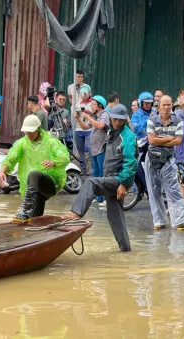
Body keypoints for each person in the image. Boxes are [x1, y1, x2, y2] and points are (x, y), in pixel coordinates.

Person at [62, 104, 137, 252]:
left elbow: (131, 164)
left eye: (120, 121)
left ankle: (76, 212)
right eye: (115, 119)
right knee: (115, 217)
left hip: (118, 179)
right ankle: (126, 250)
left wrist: (123, 184)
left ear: (124, 120)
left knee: (90, 182)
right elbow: (95, 122)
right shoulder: (111, 132)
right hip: (111, 177)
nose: (117, 123)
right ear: (111, 118)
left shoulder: (127, 137)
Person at [0, 115, 70, 223]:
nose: (29, 135)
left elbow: (65, 158)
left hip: (51, 182)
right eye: (26, 132)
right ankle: (32, 227)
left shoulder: (51, 142)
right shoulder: (22, 143)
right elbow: (10, 158)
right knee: (32, 219)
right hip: (32, 189)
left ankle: (25, 211)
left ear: (38, 129)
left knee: (34, 174)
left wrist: (54, 162)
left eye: (31, 132)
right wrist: (2, 171)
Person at [145, 95, 184, 231]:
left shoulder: (178, 121)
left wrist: (160, 138)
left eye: (169, 105)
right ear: (159, 107)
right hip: (152, 157)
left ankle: (181, 221)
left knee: (174, 190)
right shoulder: (151, 120)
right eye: (164, 105)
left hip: (169, 157)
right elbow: (151, 141)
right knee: (154, 190)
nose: (167, 107)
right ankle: (159, 221)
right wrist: (170, 138)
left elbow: (178, 141)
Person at [76, 95, 109, 206]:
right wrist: (78, 118)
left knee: (102, 173)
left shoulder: (104, 115)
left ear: (100, 105)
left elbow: (100, 125)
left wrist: (88, 116)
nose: (92, 106)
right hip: (94, 148)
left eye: (93, 104)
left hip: (102, 147)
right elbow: (85, 126)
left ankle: (105, 198)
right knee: (95, 173)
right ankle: (98, 197)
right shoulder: (94, 116)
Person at [73, 84, 93, 175]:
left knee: (90, 148)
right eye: (82, 93)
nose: (83, 95)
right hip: (79, 128)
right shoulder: (78, 103)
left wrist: (87, 112)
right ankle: (83, 168)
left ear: (89, 93)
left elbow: (94, 114)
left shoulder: (93, 103)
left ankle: (93, 168)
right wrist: (76, 115)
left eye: (85, 93)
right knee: (80, 150)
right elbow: (75, 115)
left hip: (89, 129)